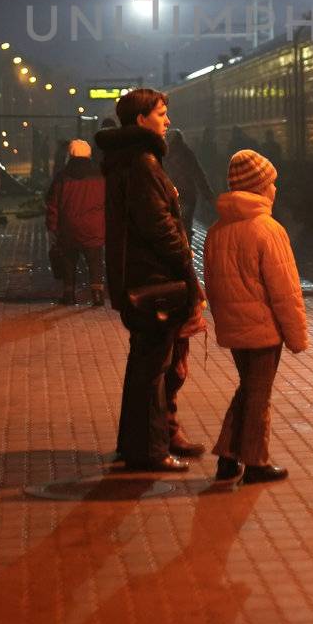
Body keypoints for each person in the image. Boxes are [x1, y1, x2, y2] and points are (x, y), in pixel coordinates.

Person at [96, 89, 206, 473]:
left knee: (144, 367)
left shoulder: (127, 159)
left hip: (138, 276)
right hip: (152, 277)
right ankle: (151, 451)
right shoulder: (143, 163)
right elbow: (159, 226)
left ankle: (137, 445)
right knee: (152, 369)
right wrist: (185, 261)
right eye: (161, 113)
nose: (167, 120)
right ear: (142, 119)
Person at [202, 149, 307, 485]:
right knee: (258, 394)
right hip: (264, 329)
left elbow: (214, 286)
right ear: (260, 187)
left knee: (249, 388)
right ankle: (255, 464)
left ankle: (228, 458)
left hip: (235, 327)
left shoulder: (217, 230)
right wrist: (297, 336)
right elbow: (285, 291)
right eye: (272, 183)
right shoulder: (268, 230)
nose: (276, 189)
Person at [45, 139, 106, 307]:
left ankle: (69, 295)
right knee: (95, 262)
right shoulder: (100, 175)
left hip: (69, 227)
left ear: (70, 154)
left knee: (69, 262)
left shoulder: (62, 176)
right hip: (94, 227)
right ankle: (97, 295)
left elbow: (52, 204)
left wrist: (52, 226)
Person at [165, 126, 215, 242]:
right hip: (188, 194)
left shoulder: (166, 156)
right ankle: (186, 244)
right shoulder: (187, 153)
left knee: (174, 222)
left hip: (173, 195)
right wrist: (207, 194)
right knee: (186, 222)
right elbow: (198, 174)